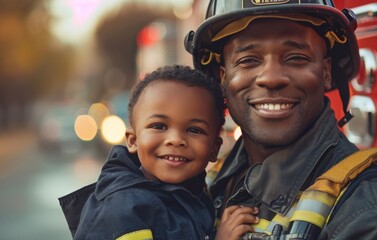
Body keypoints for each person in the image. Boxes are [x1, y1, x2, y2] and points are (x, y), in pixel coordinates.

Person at [184, 0, 377, 239]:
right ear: (223, 78)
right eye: (248, 60)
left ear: (326, 72)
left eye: (296, 58)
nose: (271, 78)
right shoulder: (211, 177)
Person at [59, 65, 258, 240]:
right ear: (133, 140)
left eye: (194, 130)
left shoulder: (194, 195)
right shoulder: (124, 211)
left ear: (214, 148)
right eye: (159, 126)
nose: (176, 139)